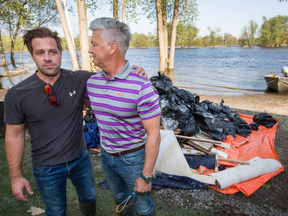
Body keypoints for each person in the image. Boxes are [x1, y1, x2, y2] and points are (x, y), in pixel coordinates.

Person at [4, 27, 145, 216]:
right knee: (56, 210)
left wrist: (135, 71)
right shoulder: (17, 94)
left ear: (60, 54)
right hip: (46, 167)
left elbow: (113, 75)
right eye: (40, 52)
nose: (47, 57)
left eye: (52, 51)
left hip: (81, 160)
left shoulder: (80, 79)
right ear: (32, 55)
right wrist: (16, 176)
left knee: (89, 198)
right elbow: (14, 136)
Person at [86, 17, 161, 216]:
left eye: (94, 44)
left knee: (142, 206)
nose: (89, 50)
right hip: (106, 155)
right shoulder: (92, 83)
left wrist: (146, 176)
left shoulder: (142, 87)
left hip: (133, 158)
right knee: (120, 200)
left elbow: (154, 134)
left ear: (112, 47)